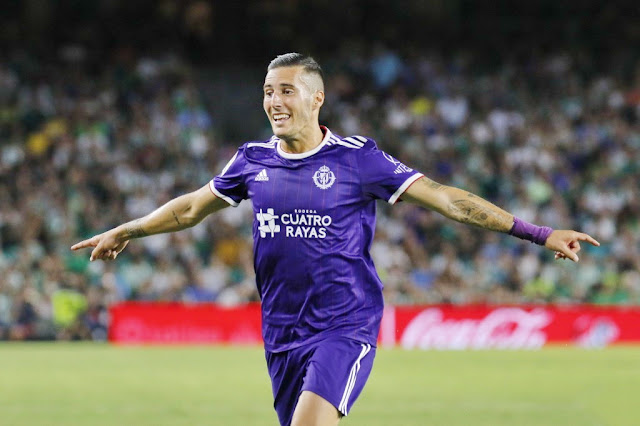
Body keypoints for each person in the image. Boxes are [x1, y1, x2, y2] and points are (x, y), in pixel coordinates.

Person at [71, 53, 600, 426]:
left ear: (317, 97)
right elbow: (190, 208)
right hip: (280, 332)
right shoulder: (250, 162)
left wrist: (538, 233)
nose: (274, 101)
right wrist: (128, 229)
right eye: (267, 92)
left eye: (286, 90)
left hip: (343, 326)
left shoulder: (356, 158)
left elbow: (445, 199)